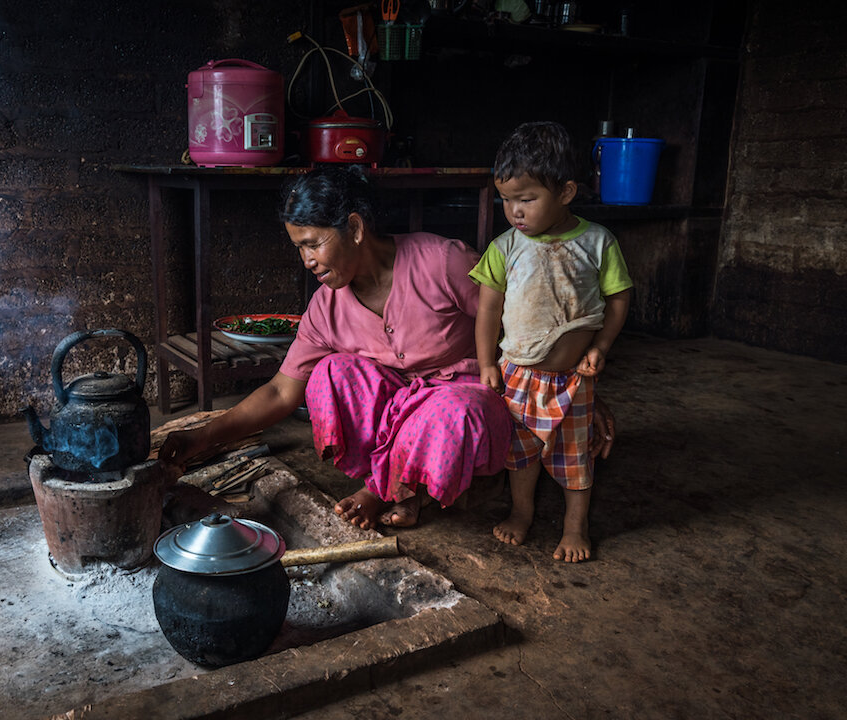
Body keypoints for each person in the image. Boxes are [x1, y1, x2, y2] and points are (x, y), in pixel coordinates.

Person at [160, 164, 616, 530]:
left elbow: (532, 325)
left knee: (452, 412)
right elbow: (282, 392)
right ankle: (403, 487)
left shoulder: (443, 261)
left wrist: (578, 391)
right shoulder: (326, 306)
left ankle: (386, 491)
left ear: (355, 228)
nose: (308, 260)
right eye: (299, 248)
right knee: (330, 374)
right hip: (399, 416)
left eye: (314, 243)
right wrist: (199, 439)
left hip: (468, 401)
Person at [469, 121, 632, 562]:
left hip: (573, 381)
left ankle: (575, 525)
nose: (514, 211)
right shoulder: (504, 248)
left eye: (527, 199)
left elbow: (618, 300)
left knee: (576, 457)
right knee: (520, 455)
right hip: (517, 375)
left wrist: (600, 348)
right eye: (506, 199)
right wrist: (486, 362)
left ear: (565, 192)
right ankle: (522, 512)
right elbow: (488, 309)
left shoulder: (597, 242)